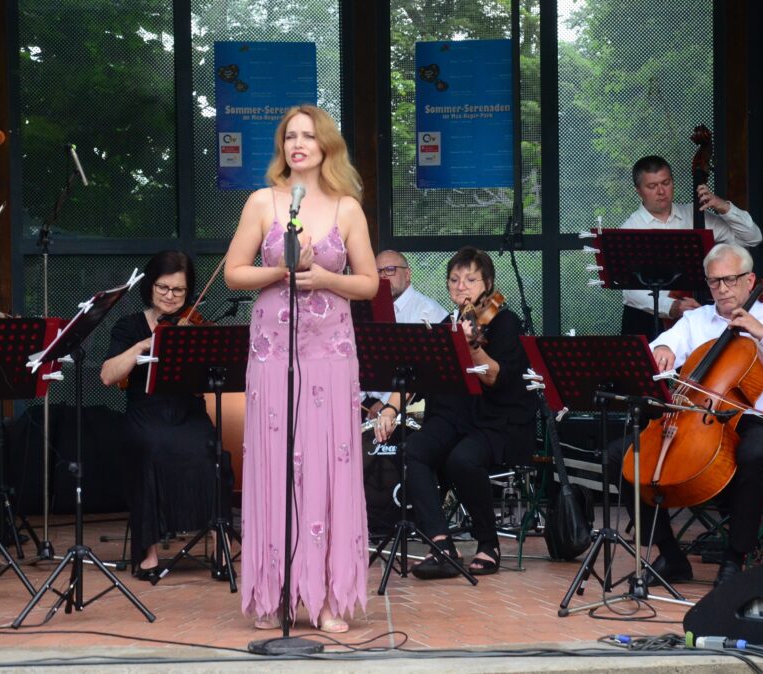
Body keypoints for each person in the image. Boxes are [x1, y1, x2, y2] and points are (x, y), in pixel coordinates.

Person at [223, 104, 378, 633]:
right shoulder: (263, 201)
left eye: (308, 136)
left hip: (329, 351)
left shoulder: (347, 208)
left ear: (326, 145)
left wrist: (326, 279)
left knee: (329, 465)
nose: (298, 144)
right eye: (290, 136)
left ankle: (328, 597)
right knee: (276, 464)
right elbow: (233, 273)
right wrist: (281, 270)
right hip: (274, 351)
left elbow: (369, 283)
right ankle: (275, 595)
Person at [603, 243, 763, 587]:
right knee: (620, 456)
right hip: (695, 418)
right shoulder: (696, 320)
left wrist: (762, 333)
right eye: (713, 281)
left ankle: (735, 558)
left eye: (730, 280)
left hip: (756, 421)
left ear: (750, 280)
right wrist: (661, 348)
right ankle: (671, 556)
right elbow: (662, 347)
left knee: (753, 452)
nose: (721, 289)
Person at [375, 246, 536, 579]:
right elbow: (417, 375)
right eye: (454, 280)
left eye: (470, 280)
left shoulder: (505, 322)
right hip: (453, 417)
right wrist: (390, 409)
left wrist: (473, 346)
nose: (461, 286)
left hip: (495, 421)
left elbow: (494, 377)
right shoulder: (447, 324)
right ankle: (441, 544)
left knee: (461, 459)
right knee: (413, 450)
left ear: (488, 283)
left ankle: (488, 543)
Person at [100, 250, 223, 581]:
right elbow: (108, 375)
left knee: (211, 451)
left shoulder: (195, 325)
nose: (170, 296)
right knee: (150, 449)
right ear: (150, 286)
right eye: (163, 288)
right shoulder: (128, 326)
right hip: (146, 414)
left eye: (179, 290)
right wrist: (143, 345)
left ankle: (218, 544)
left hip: (188, 413)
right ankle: (148, 552)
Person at [620, 155, 762, 338]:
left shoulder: (695, 215)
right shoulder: (629, 228)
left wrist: (723, 207)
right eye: (652, 186)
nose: (661, 191)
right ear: (638, 190)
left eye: (666, 183)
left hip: (700, 313)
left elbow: (752, 238)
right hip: (646, 320)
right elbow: (630, 291)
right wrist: (671, 306)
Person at [363, 249, 448, 419]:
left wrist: (387, 405)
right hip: (366, 403)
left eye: (390, 269)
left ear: (408, 274)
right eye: (378, 271)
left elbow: (419, 370)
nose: (383, 276)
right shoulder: (367, 308)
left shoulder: (427, 311)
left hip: (407, 408)